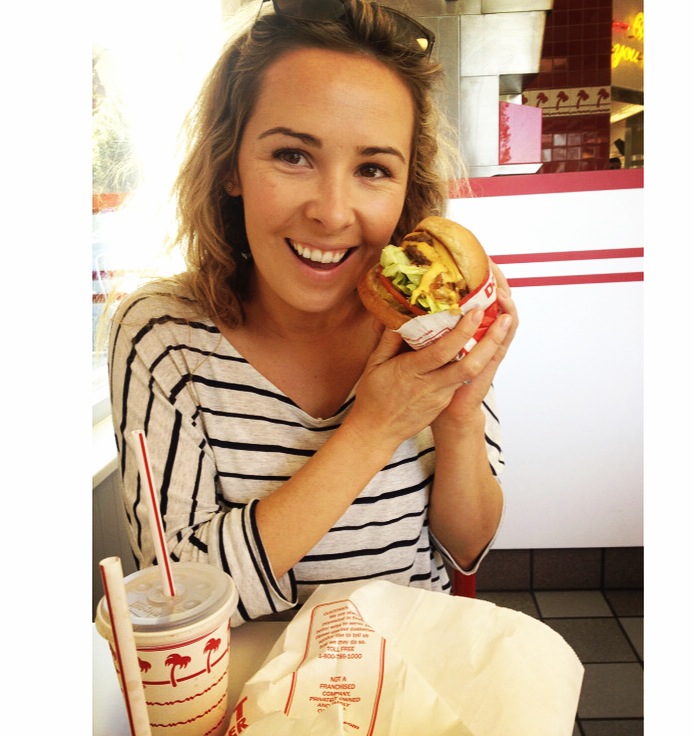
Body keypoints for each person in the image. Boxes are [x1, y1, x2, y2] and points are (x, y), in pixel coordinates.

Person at [108, 0, 519, 625]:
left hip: (405, 673)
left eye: (373, 169)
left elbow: (466, 549)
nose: (331, 212)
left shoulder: (426, 323)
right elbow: (176, 596)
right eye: (293, 156)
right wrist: (374, 427)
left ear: (406, 189)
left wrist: (458, 416)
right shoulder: (163, 336)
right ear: (230, 165)